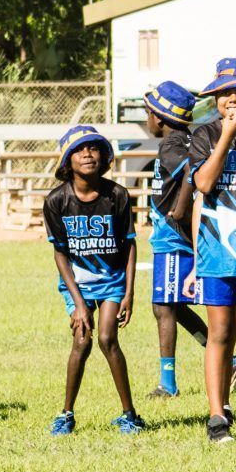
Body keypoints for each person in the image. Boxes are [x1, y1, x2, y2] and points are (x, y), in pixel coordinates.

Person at [44, 126, 142, 436]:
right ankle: (66, 413)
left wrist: (128, 293)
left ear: (104, 156)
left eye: (94, 148)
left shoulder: (118, 196)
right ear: (66, 161)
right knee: (82, 341)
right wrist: (78, 304)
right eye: (79, 149)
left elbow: (129, 245)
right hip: (79, 284)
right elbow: (60, 255)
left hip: (113, 281)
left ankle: (129, 415)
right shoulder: (56, 200)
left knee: (107, 338)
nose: (88, 154)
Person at [186, 58, 236, 443]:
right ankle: (217, 416)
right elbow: (205, 185)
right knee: (220, 332)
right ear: (214, 97)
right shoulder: (205, 134)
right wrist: (227, 136)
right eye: (226, 91)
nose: (234, 98)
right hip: (218, 253)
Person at [142, 82, 213, 400]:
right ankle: (230, 357)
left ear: (157, 117)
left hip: (173, 239)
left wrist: (181, 209)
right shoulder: (181, 138)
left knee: (164, 307)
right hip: (171, 238)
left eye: (148, 113)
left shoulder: (171, 144)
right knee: (175, 305)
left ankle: (167, 383)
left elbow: (191, 171)